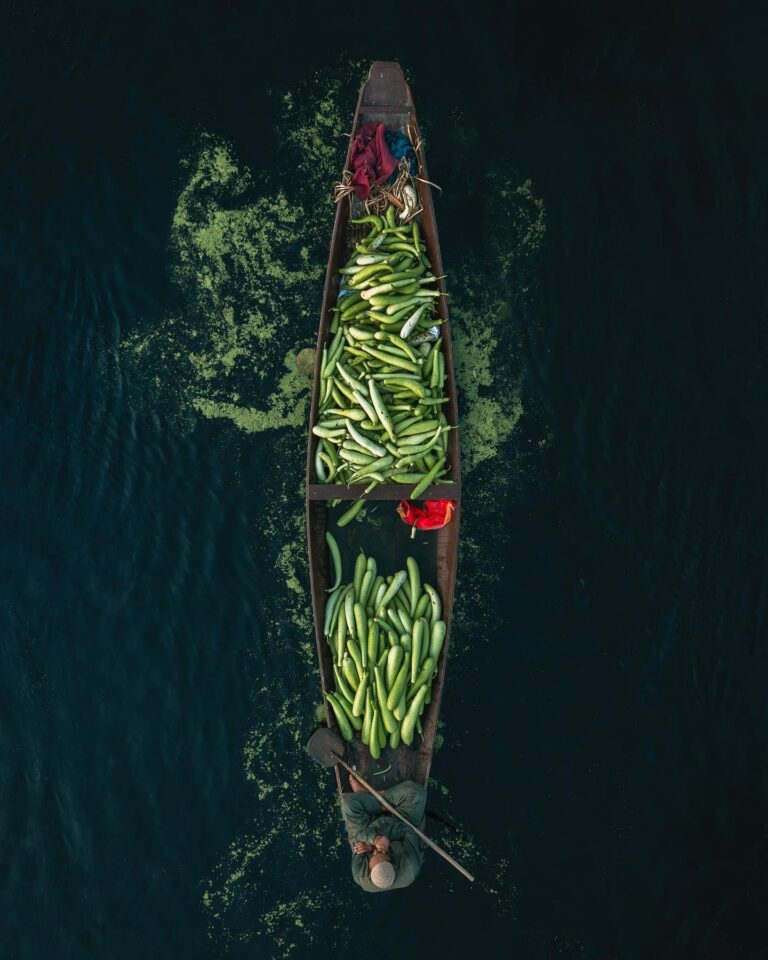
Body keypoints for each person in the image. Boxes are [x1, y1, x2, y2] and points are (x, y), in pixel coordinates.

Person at [340, 773, 427, 891]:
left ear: (369, 871)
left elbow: (357, 838)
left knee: (349, 805)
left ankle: (372, 799)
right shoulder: (410, 864)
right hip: (402, 822)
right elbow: (407, 830)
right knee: (417, 793)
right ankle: (378, 800)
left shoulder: (360, 874)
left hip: (367, 828)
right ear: (394, 864)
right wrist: (382, 838)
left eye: (374, 855)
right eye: (383, 853)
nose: (378, 850)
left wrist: (374, 840)